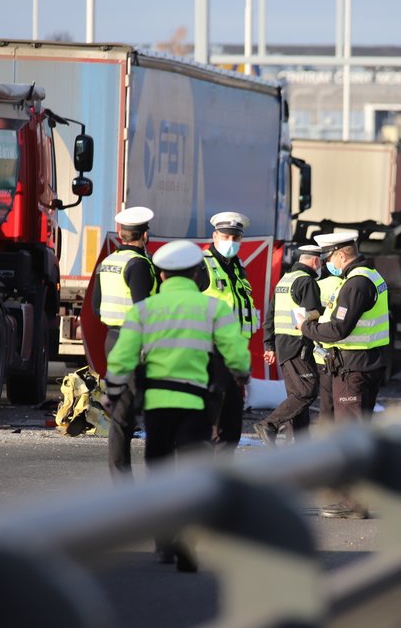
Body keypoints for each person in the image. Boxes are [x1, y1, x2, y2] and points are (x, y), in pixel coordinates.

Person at [104, 240, 250, 569]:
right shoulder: (213, 309)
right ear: (198, 274)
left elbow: (122, 359)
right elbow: (236, 354)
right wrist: (241, 373)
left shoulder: (144, 310)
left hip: (157, 405)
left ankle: (161, 542)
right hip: (195, 405)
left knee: (159, 470)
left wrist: (112, 393)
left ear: (163, 273)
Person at [300, 231, 389, 519]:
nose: (328, 263)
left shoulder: (357, 283)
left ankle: (353, 503)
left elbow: (340, 329)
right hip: (364, 364)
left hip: (353, 368)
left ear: (341, 255)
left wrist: (307, 329)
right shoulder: (371, 276)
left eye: (329, 258)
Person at [91, 206, 158, 481]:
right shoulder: (139, 264)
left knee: (123, 411)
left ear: (120, 234)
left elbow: (96, 307)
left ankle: (123, 479)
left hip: (113, 338)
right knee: (137, 411)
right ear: (144, 235)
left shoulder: (109, 262)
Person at [198, 211, 260, 450]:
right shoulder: (203, 265)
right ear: (214, 236)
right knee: (212, 418)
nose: (231, 243)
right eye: (226, 237)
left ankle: (223, 476)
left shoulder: (237, 267)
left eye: (236, 239)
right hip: (210, 351)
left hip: (235, 352)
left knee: (232, 421)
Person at [255, 245, 325, 447]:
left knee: (297, 396)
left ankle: (302, 443)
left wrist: (269, 346)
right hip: (299, 344)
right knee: (307, 392)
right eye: (320, 261)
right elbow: (311, 315)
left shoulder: (284, 280)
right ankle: (269, 424)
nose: (320, 265)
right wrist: (322, 310)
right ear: (314, 261)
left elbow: (270, 316)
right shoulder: (307, 281)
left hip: (283, 345)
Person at [314, 273, 344, 425]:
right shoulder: (343, 285)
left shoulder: (318, 284)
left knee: (325, 398)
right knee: (333, 399)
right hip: (334, 352)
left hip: (318, 350)